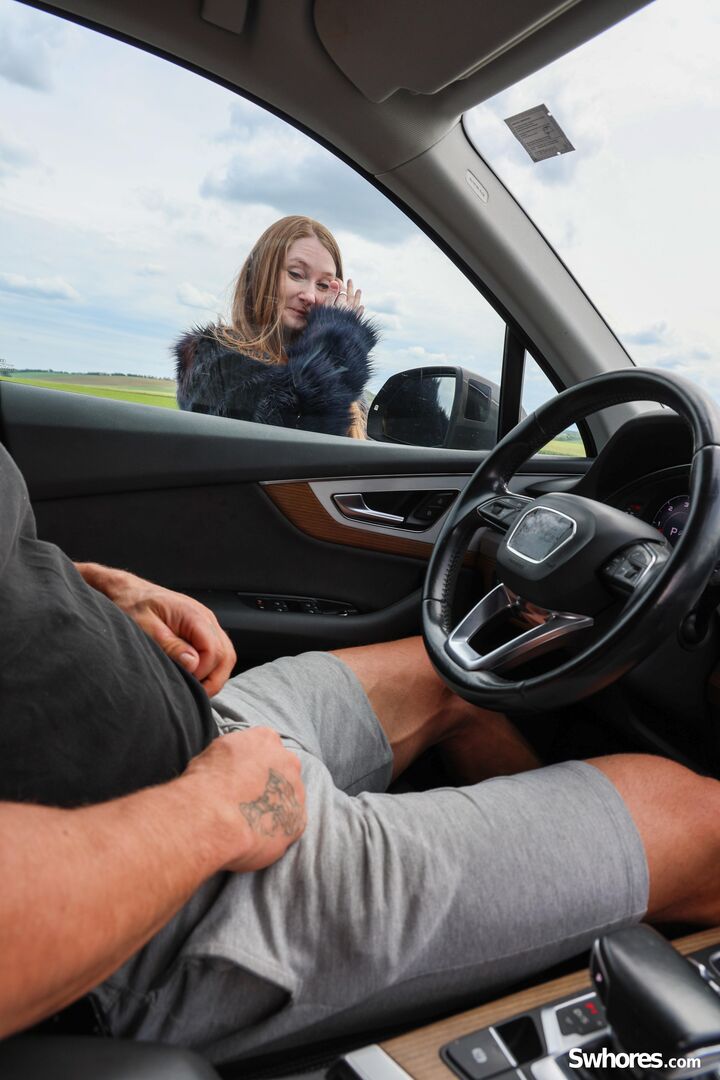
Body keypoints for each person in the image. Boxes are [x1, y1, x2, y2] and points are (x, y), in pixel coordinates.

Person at [2, 438, 720, 1063]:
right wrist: (215, 811)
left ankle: (563, 913)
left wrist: (88, 586)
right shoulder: (203, 824)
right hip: (150, 896)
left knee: (461, 683)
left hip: (207, 743)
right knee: (701, 822)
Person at [174, 215, 377, 438]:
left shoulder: (347, 392)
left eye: (323, 285)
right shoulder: (213, 363)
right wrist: (338, 346)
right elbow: (286, 438)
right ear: (261, 273)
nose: (310, 295)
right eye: (296, 274)